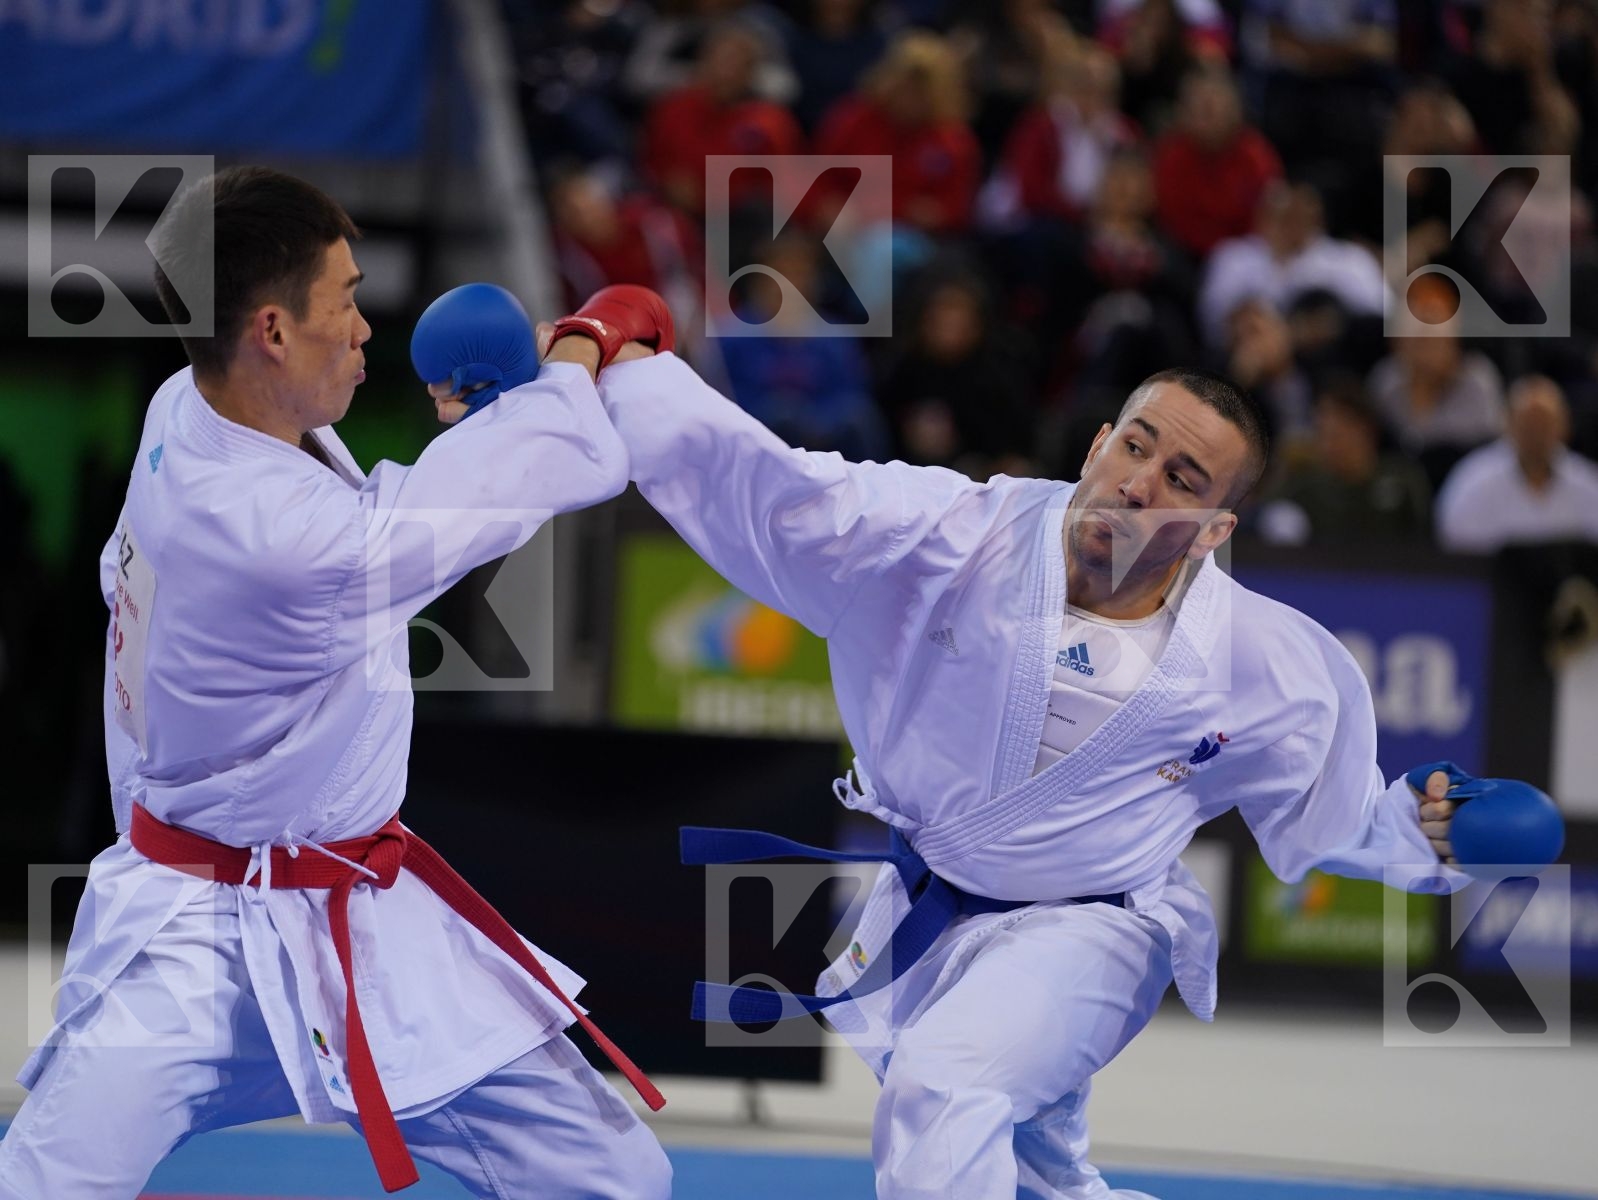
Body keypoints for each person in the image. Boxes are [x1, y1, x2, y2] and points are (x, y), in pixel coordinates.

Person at [436, 312, 1471, 1200]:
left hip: (1092, 933)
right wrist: (616, 364)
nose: (1140, 482)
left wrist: (1430, 831)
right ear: (1099, 440)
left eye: (1181, 477)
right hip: (929, 919)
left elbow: (1334, 815)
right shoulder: (948, 534)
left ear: (1210, 530)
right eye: (1134, 446)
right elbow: (770, 488)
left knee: (943, 1090)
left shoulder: (1260, 660)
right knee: (1025, 1175)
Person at [0, 167, 674, 1200]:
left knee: (610, 1176)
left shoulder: (189, 405)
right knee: (48, 1185)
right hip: (194, 940)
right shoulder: (277, 538)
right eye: (347, 300)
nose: (366, 328)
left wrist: (489, 413)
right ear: (270, 330)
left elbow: (403, 522)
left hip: (360, 916)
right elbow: (472, 508)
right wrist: (580, 348)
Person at [1436, 375, 1598, 552]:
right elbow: (1457, 552)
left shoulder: (1588, 484)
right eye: (1529, 424)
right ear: (1508, 423)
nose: (1537, 435)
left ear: (1564, 426)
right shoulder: (1472, 483)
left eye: (1545, 424)